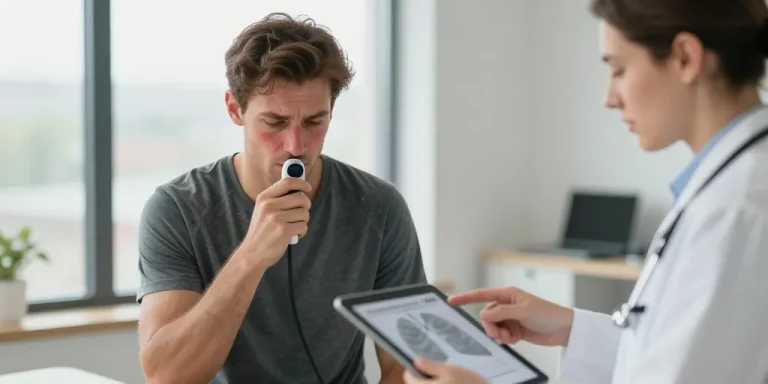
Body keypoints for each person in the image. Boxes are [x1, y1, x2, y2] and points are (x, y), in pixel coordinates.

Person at [404, 0, 768, 383]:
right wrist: (570, 326)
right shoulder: (733, 189)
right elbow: (678, 355)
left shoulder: (733, 211)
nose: (609, 98)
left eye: (619, 70)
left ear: (684, 58)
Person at [135, 13, 426, 384]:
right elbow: (166, 375)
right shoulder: (176, 209)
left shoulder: (380, 206)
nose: (296, 146)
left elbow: (407, 365)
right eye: (274, 123)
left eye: (314, 122)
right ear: (234, 109)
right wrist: (252, 256)